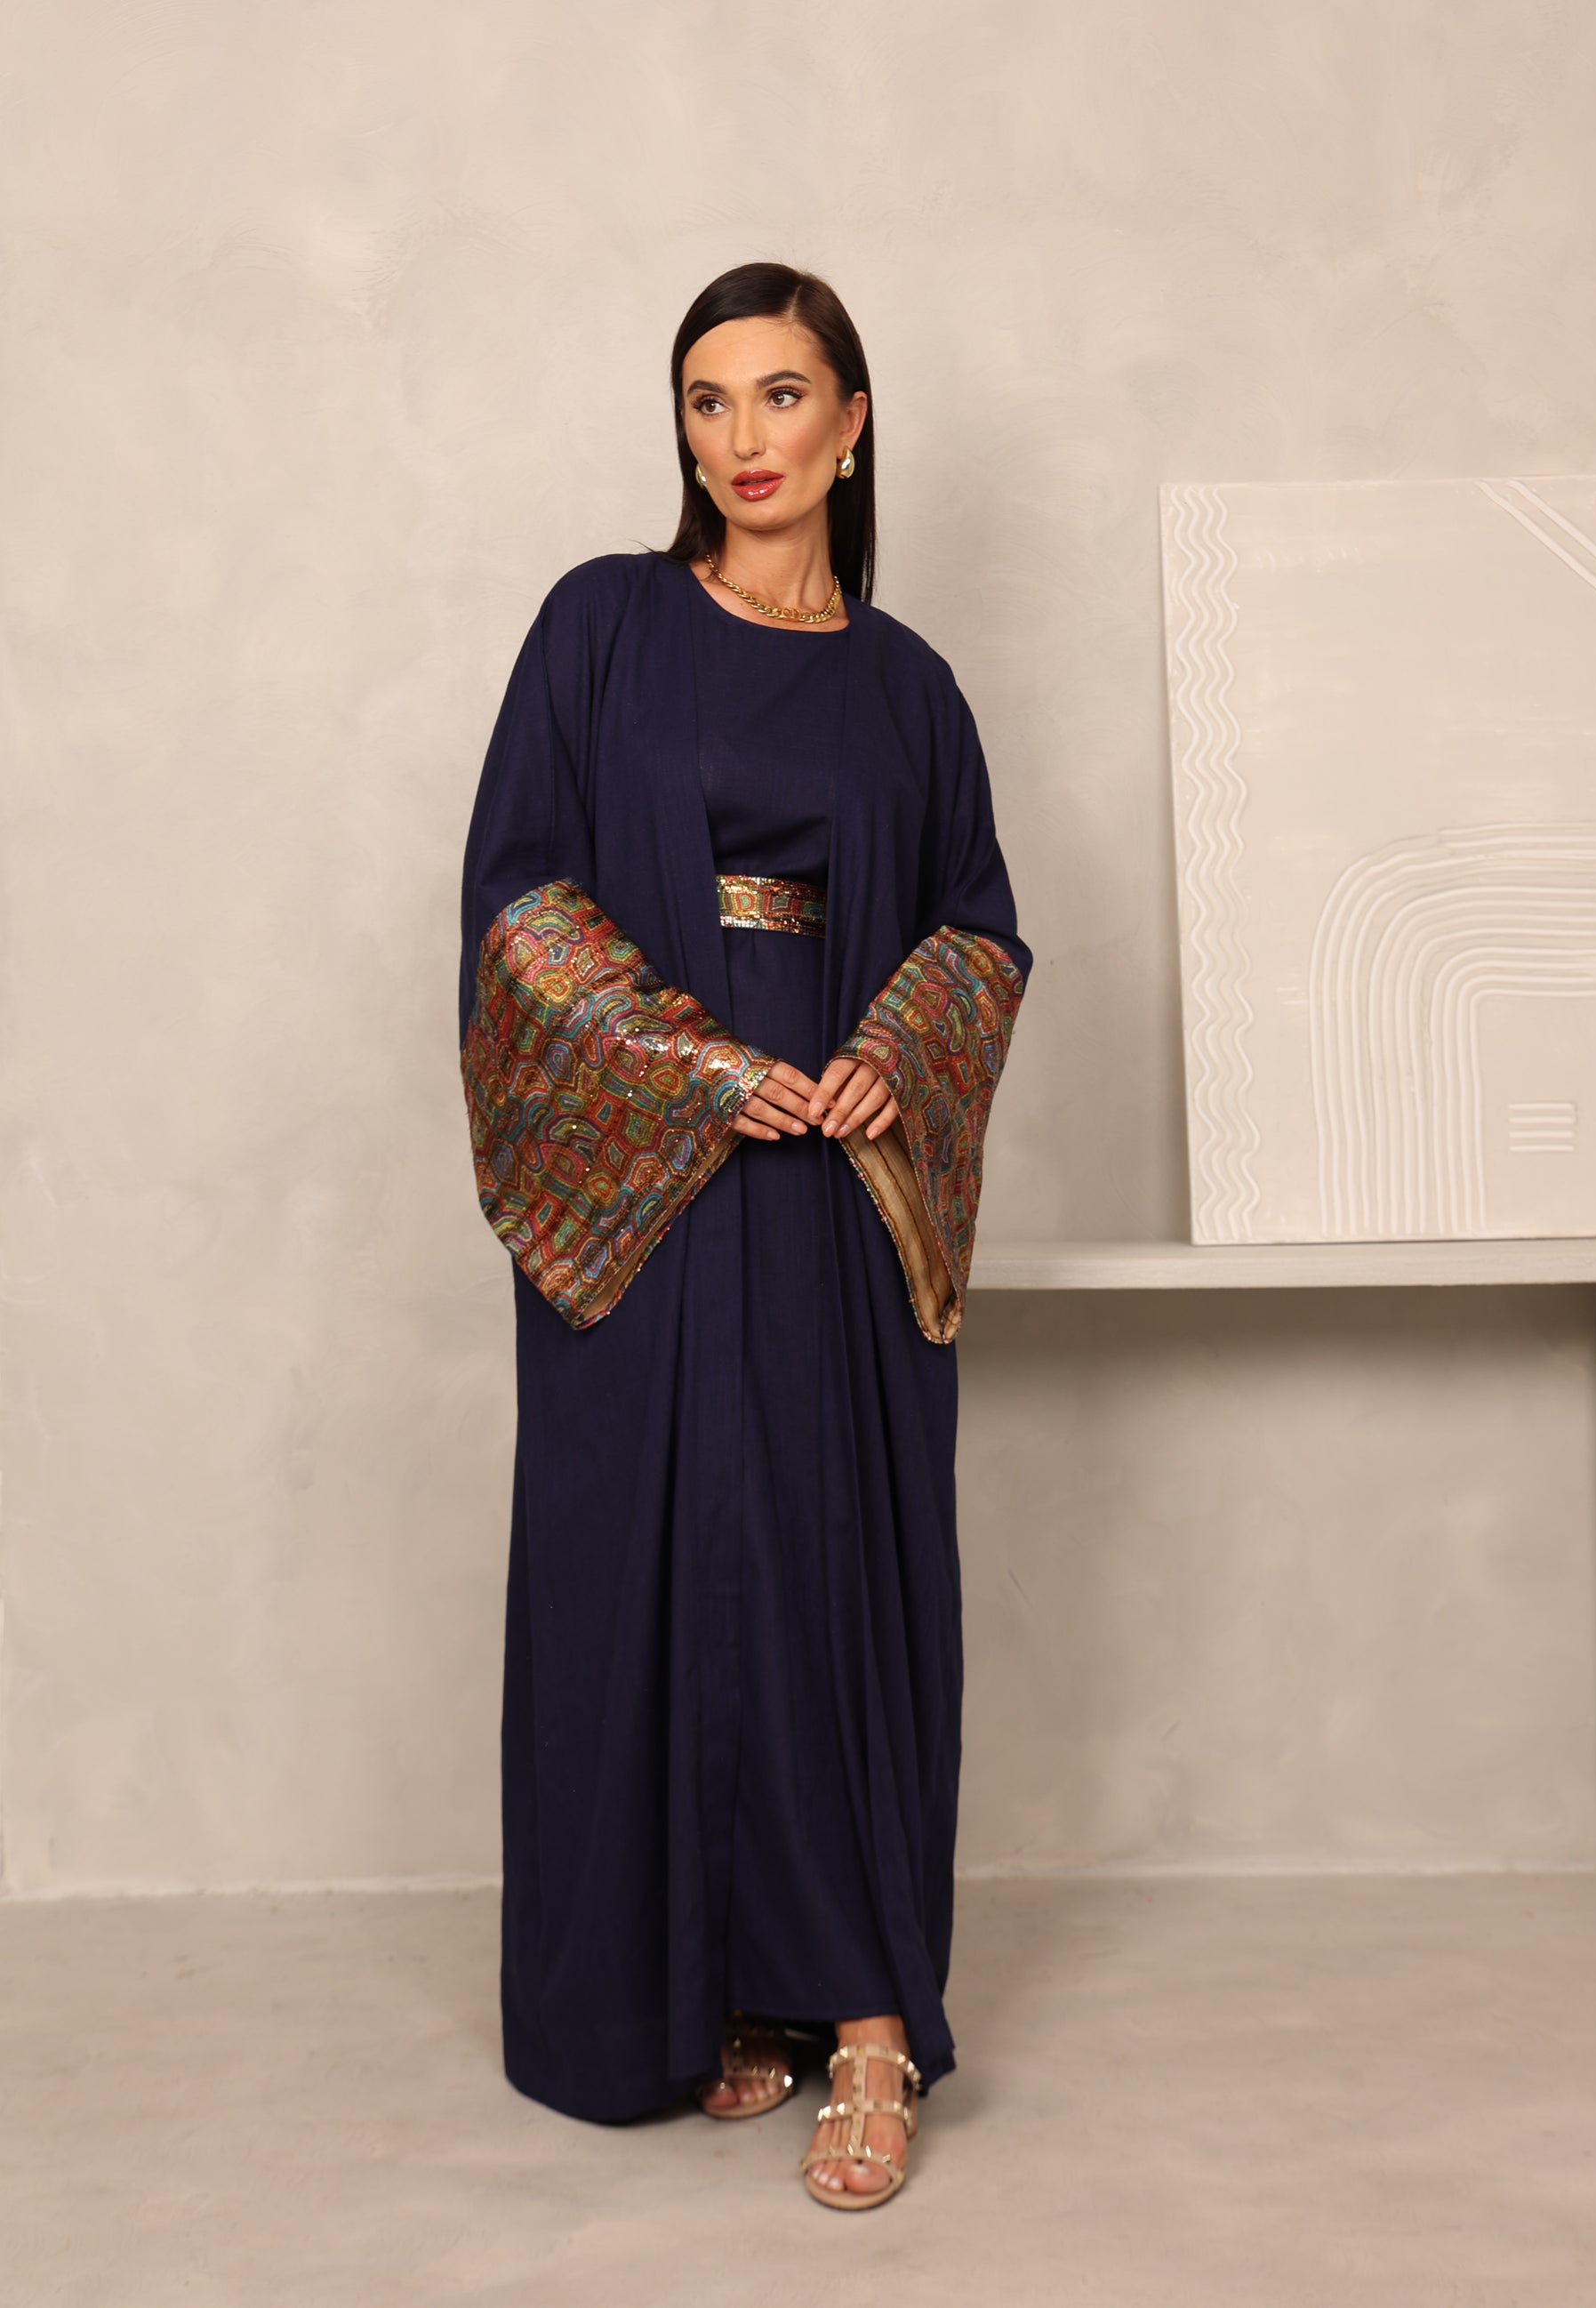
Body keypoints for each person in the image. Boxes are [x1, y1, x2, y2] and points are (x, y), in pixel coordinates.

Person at [458, 261, 1031, 2210]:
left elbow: (977, 927)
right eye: (707, 400)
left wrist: (889, 1058)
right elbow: (520, 899)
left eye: (781, 395)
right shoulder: (600, 624)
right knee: (657, 1557)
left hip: (838, 1171)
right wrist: (691, 1063)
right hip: (651, 1161)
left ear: (851, 423)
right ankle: (717, 1983)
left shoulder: (909, 686)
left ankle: (867, 2025)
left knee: (829, 1563)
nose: (742, 438)